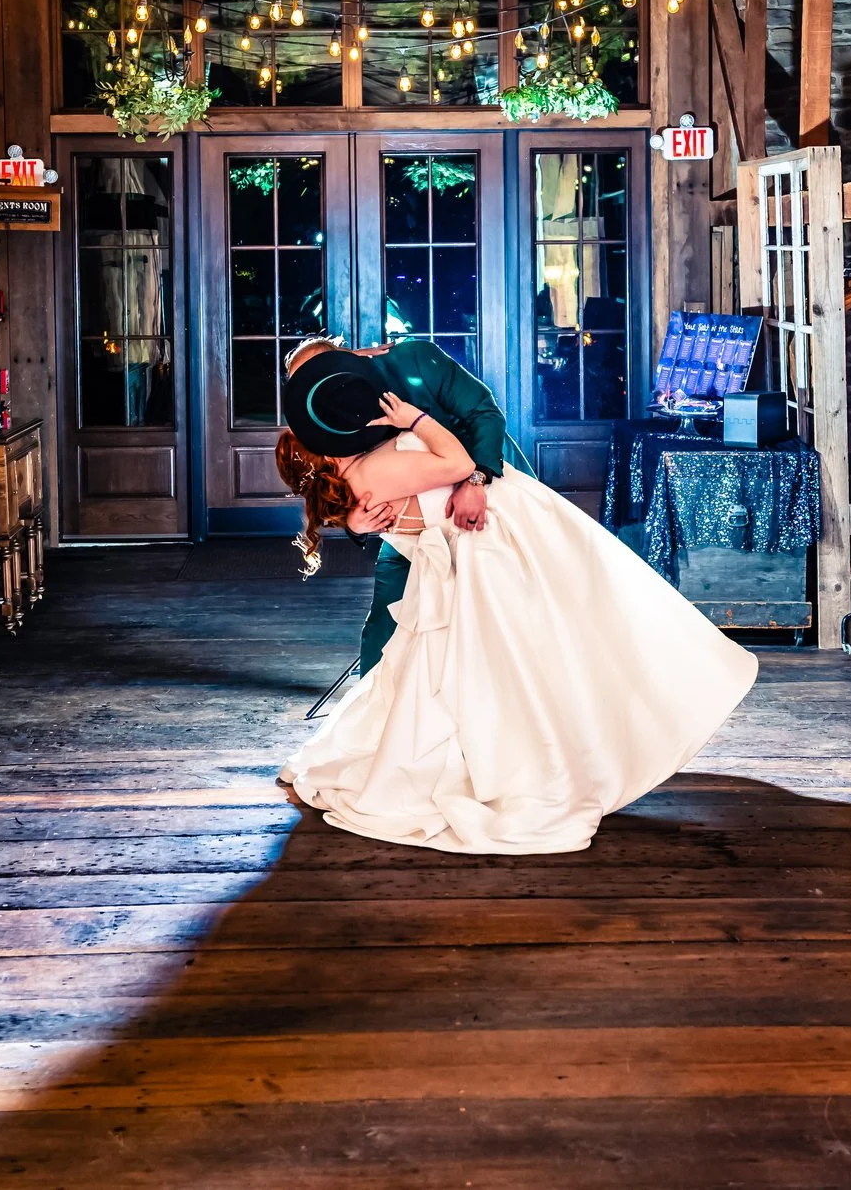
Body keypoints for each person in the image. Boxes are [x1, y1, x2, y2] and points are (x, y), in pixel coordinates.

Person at [271, 349, 759, 855]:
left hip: (489, 524)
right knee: (498, 653)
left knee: (555, 637)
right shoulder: (362, 453)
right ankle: (511, 756)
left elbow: (484, 412)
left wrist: (470, 481)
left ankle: (554, 746)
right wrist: (407, 441)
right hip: (475, 544)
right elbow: (421, 477)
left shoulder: (408, 365)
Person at [281, 336, 527, 676]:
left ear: (342, 360)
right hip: (418, 528)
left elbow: (483, 412)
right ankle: (378, 717)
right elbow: (333, 482)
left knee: (507, 618)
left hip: (488, 491)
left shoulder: (414, 359)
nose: (313, 390)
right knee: (384, 625)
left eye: (315, 374)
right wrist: (355, 523)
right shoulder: (323, 409)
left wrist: (477, 480)